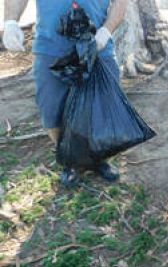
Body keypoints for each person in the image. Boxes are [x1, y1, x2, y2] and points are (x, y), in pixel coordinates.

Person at [2, 0, 128, 187]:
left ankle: (98, 159)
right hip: (51, 48)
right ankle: (71, 161)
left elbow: (120, 2)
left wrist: (106, 31)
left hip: (96, 45)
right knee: (52, 111)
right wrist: (11, 22)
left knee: (101, 109)